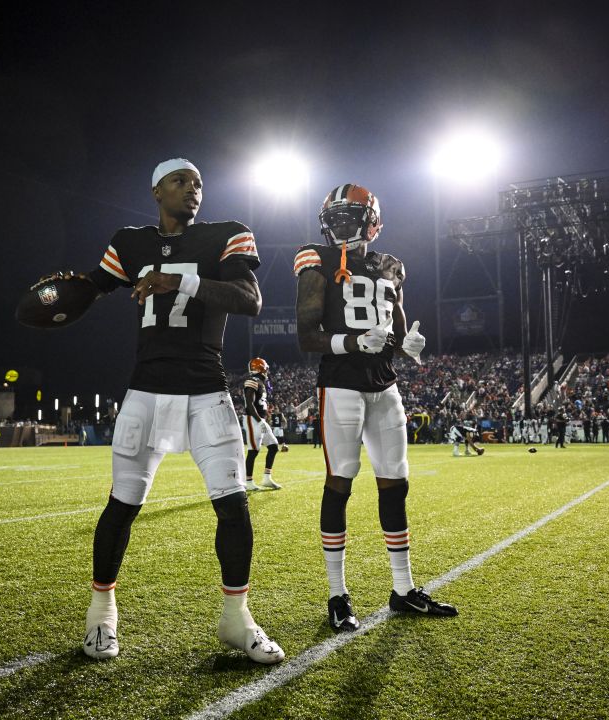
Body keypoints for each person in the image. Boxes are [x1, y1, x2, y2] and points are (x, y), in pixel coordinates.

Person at [25, 158, 284, 664]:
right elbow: (97, 286)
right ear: (156, 191)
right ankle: (101, 616)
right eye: (180, 182)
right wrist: (63, 295)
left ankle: (237, 618)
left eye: (198, 184)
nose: (193, 190)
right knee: (122, 506)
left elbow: (249, 298)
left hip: (207, 391)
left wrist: (177, 282)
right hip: (146, 392)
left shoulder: (227, 235)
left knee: (233, 505)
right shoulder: (130, 241)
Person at [294, 183, 458, 632]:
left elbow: (400, 331)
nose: (340, 225)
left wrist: (410, 346)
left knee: (396, 484)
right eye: (336, 217)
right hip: (341, 386)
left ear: (373, 221)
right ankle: (337, 594)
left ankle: (403, 590)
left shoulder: (391, 266)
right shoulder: (315, 259)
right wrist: (350, 341)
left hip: (385, 387)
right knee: (340, 484)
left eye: (350, 216)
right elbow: (306, 334)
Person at [242, 357, 283, 491]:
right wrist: (260, 421)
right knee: (253, 451)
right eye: (265, 368)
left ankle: (267, 478)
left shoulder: (261, 382)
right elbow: (249, 403)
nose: (267, 370)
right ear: (261, 368)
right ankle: (248, 481)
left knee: (273, 446)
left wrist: (264, 419)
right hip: (252, 419)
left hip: (260, 419)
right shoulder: (252, 381)